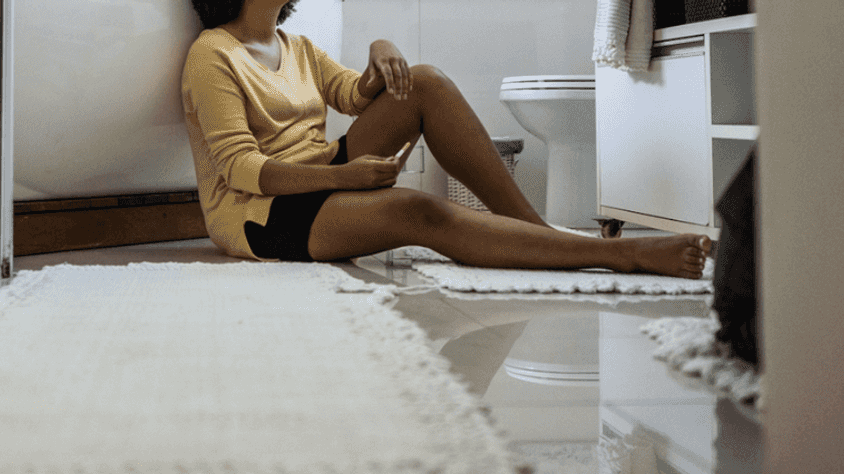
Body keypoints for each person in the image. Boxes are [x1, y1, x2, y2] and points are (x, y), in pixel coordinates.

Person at [182, 0, 710, 278]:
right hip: (261, 212)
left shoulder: (294, 44)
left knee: (426, 80)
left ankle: (535, 233)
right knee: (420, 213)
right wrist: (346, 177)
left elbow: (353, 94)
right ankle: (620, 256)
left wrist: (381, 50)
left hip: (322, 175)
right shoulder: (213, 54)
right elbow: (240, 169)